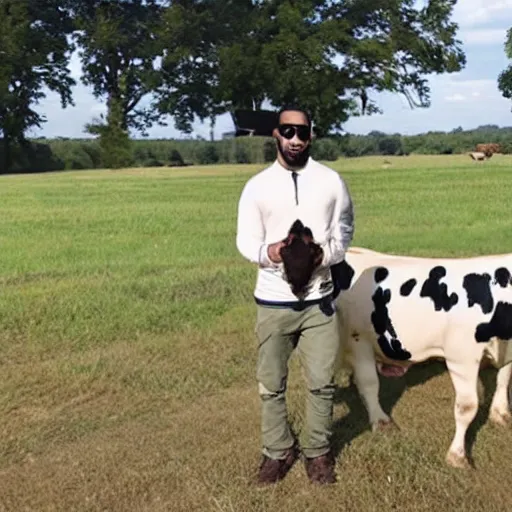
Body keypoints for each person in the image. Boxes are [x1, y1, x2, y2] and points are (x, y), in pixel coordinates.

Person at [235, 106, 355, 485]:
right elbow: (245, 240)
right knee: (271, 385)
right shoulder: (257, 186)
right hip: (272, 302)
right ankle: (278, 451)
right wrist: (269, 253)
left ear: (311, 136)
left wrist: (327, 256)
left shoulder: (332, 182)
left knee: (322, 383)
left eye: (302, 132)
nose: (295, 139)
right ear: (276, 134)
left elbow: (345, 229)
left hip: (319, 302)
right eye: (288, 131)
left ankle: (317, 452)